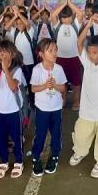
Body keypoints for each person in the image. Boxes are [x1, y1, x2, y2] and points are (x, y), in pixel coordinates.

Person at [68, 15, 98, 179]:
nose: (91, 55)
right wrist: (88, 25)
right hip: (87, 109)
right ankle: (79, 152)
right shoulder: (86, 62)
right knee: (81, 134)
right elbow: (79, 43)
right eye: (89, 52)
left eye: (95, 52)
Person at [0, 40, 26, 179]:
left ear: (13, 54)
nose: (1, 55)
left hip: (13, 111)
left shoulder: (17, 70)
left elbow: (13, 86)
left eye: (5, 52)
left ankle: (19, 162)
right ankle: (4, 161)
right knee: (0, 138)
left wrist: (5, 69)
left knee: (16, 137)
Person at [30, 38, 67, 176]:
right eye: (50, 51)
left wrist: (55, 85)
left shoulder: (59, 69)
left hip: (56, 108)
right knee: (40, 134)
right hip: (42, 109)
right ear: (41, 54)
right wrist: (45, 86)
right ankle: (36, 157)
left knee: (56, 133)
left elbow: (63, 88)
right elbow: (33, 88)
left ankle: (55, 156)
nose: (54, 53)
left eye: (55, 50)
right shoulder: (37, 69)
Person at [50, 0, 84, 110]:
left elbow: (80, 13)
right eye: (63, 17)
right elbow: (53, 15)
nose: (66, 19)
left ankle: (76, 101)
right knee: (61, 82)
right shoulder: (57, 26)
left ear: (72, 16)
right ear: (60, 18)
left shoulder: (75, 25)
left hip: (74, 58)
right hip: (60, 58)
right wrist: (64, 3)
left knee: (76, 83)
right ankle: (62, 100)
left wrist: (70, 3)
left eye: (68, 17)